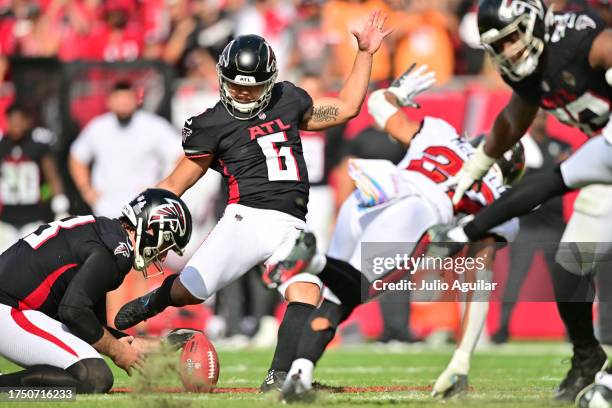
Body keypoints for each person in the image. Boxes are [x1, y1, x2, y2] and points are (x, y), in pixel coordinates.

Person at [112, 11, 392, 392]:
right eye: (236, 86)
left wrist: (364, 53)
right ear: (223, 80)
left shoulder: (287, 99)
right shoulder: (210, 123)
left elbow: (346, 107)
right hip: (245, 219)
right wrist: (133, 217)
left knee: (306, 291)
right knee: (191, 290)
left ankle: (277, 378)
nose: (243, 93)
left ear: (270, 80)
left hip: (292, 224)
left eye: (252, 86)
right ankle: (155, 301)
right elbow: (178, 180)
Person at [263, 64, 523, 401]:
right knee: (358, 288)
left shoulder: (442, 133)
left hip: (372, 192)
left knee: (337, 298)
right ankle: (313, 260)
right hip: (413, 210)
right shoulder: (499, 198)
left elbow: (378, 107)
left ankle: (299, 374)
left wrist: (396, 94)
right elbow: (478, 281)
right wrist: (463, 358)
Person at [423, 0, 611, 402]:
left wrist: (465, 230)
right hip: (607, 153)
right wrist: (476, 168)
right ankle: (587, 357)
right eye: (500, 44)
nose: (510, 51)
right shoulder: (533, 69)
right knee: (569, 269)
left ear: (536, 23)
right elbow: (517, 128)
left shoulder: (583, 41)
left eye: (512, 38)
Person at [0, 188, 192, 393]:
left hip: (15, 307)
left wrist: (139, 344)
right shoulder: (114, 252)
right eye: (166, 243)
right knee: (93, 376)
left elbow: (89, 322)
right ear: (151, 228)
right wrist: (118, 352)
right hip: (10, 308)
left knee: (91, 374)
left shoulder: (109, 234)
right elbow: (73, 311)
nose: (162, 256)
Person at [69, 80, 182, 218]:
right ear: (109, 102)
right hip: (105, 212)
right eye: (118, 99)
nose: (123, 103)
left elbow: (180, 156)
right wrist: (86, 190)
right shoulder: (98, 127)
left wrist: (161, 189)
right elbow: (77, 157)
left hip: (144, 214)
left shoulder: (154, 126)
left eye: (127, 99)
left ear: (136, 100)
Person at [0, 103, 68, 253]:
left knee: (30, 259)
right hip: (6, 218)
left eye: (19, 121)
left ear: (27, 122)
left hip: (33, 216)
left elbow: (52, 175)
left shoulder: (37, 147)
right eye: (12, 121)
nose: (15, 126)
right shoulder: (2, 146)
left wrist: (60, 203)